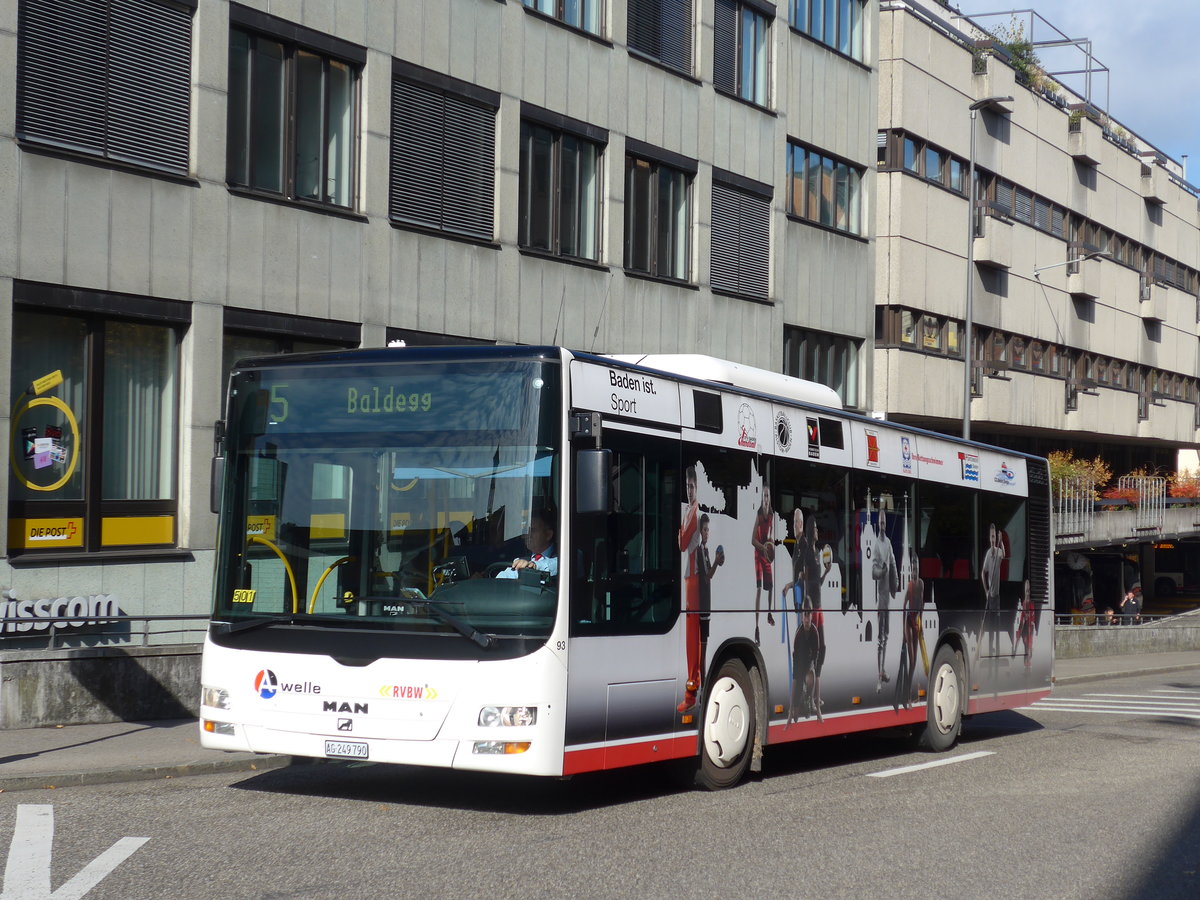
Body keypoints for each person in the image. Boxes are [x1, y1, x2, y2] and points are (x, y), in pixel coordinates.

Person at [871, 507, 898, 691]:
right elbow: (874, 572)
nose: (882, 525)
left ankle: (882, 670)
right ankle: (879, 677)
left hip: (888, 597)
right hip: (880, 597)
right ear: (877, 524)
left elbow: (894, 563)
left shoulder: (888, 543)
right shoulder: (876, 544)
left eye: (884, 522)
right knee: (880, 638)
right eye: (880, 522)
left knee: (886, 636)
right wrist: (883, 571)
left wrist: (895, 584)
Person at [895, 552, 925, 711]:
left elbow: (922, 606)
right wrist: (903, 632)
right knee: (912, 659)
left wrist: (921, 626)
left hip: (916, 622)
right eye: (913, 569)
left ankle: (907, 693)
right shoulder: (910, 585)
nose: (915, 571)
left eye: (916, 568)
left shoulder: (921, 583)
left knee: (913, 663)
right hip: (908, 621)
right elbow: (904, 605)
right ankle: (905, 697)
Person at [496, 507, 557, 579]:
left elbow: (558, 565)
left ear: (548, 534)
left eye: (532, 530)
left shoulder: (564, 557)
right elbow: (507, 575)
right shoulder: (522, 556)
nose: (526, 535)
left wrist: (533, 565)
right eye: (525, 531)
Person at [751, 480, 776, 645]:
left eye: (767, 495)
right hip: (758, 554)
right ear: (761, 498)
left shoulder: (772, 515)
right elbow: (752, 540)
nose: (766, 498)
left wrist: (771, 545)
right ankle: (757, 627)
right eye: (764, 495)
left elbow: (771, 537)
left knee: (770, 587)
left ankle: (768, 613)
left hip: (766, 554)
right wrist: (764, 548)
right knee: (759, 589)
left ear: (770, 498)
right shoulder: (759, 515)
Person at [789, 595, 821, 726]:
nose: (807, 617)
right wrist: (797, 677)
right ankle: (796, 707)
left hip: (809, 664)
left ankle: (809, 699)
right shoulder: (799, 633)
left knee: (811, 677)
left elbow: (816, 655)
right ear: (802, 616)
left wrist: (811, 669)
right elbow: (795, 656)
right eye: (804, 614)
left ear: (812, 615)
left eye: (809, 614)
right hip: (799, 664)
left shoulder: (814, 632)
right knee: (796, 686)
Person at [979, 522, 1005, 658]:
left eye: (994, 536)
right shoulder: (988, 554)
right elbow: (983, 572)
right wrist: (986, 590)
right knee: (989, 624)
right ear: (989, 538)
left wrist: (1001, 542)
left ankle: (997, 651)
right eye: (992, 537)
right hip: (990, 596)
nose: (993, 539)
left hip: (997, 596)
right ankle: (988, 649)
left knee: (997, 625)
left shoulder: (999, 551)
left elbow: (1003, 555)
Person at [1013, 578, 1036, 666]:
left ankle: (1027, 663)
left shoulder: (1031, 604)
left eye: (1028, 591)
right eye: (1026, 591)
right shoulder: (1023, 603)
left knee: (1028, 645)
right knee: (1026, 645)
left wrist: (1031, 620)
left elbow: (1033, 617)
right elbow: (1022, 616)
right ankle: (1026, 663)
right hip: (1024, 628)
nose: (1027, 593)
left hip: (1029, 628)